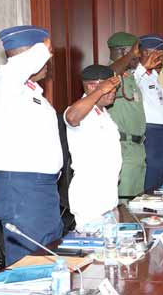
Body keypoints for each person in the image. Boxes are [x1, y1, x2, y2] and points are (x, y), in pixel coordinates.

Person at [0, 25, 63, 266]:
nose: (49, 58)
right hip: (22, 189)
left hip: (42, 189)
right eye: (43, 53)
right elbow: (18, 65)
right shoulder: (6, 82)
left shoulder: (31, 91)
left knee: (47, 261)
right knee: (29, 267)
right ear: (30, 55)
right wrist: (44, 46)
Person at [63, 64, 121, 229]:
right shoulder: (80, 112)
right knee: (92, 249)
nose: (114, 92)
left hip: (108, 193)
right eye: (109, 88)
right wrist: (100, 91)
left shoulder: (104, 114)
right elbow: (72, 117)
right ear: (92, 87)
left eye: (114, 88)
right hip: (90, 196)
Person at [107, 32, 147, 197]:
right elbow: (107, 77)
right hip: (124, 148)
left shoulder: (128, 76)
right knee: (124, 204)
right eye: (135, 52)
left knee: (137, 204)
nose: (138, 57)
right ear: (124, 52)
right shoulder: (110, 74)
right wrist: (130, 55)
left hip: (138, 148)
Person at [136, 34, 163, 192]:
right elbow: (131, 81)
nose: (159, 59)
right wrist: (143, 67)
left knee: (162, 175)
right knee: (151, 178)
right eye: (156, 54)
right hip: (150, 133)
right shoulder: (136, 75)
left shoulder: (154, 77)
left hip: (162, 134)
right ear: (144, 54)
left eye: (161, 55)